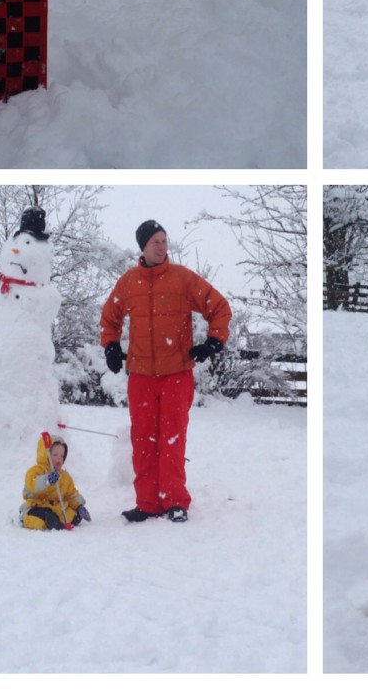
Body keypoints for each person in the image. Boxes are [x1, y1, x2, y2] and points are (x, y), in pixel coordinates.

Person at [100, 220, 231, 524]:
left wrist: (213, 341)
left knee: (171, 438)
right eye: (155, 242)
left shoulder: (182, 279)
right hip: (141, 376)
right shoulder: (128, 282)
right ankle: (146, 502)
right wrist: (110, 346)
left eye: (164, 240)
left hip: (176, 374)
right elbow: (109, 319)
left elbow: (219, 306)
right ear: (142, 246)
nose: (162, 246)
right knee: (143, 440)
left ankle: (174, 501)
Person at [20, 433, 91, 530]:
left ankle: (56, 520)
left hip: (57, 508)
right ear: (46, 454)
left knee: (75, 517)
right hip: (38, 505)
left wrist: (79, 506)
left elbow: (71, 494)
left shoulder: (64, 476)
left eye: (62, 456)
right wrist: (47, 480)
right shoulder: (36, 471)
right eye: (55, 455)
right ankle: (26, 515)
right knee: (47, 519)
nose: (59, 458)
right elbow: (32, 484)